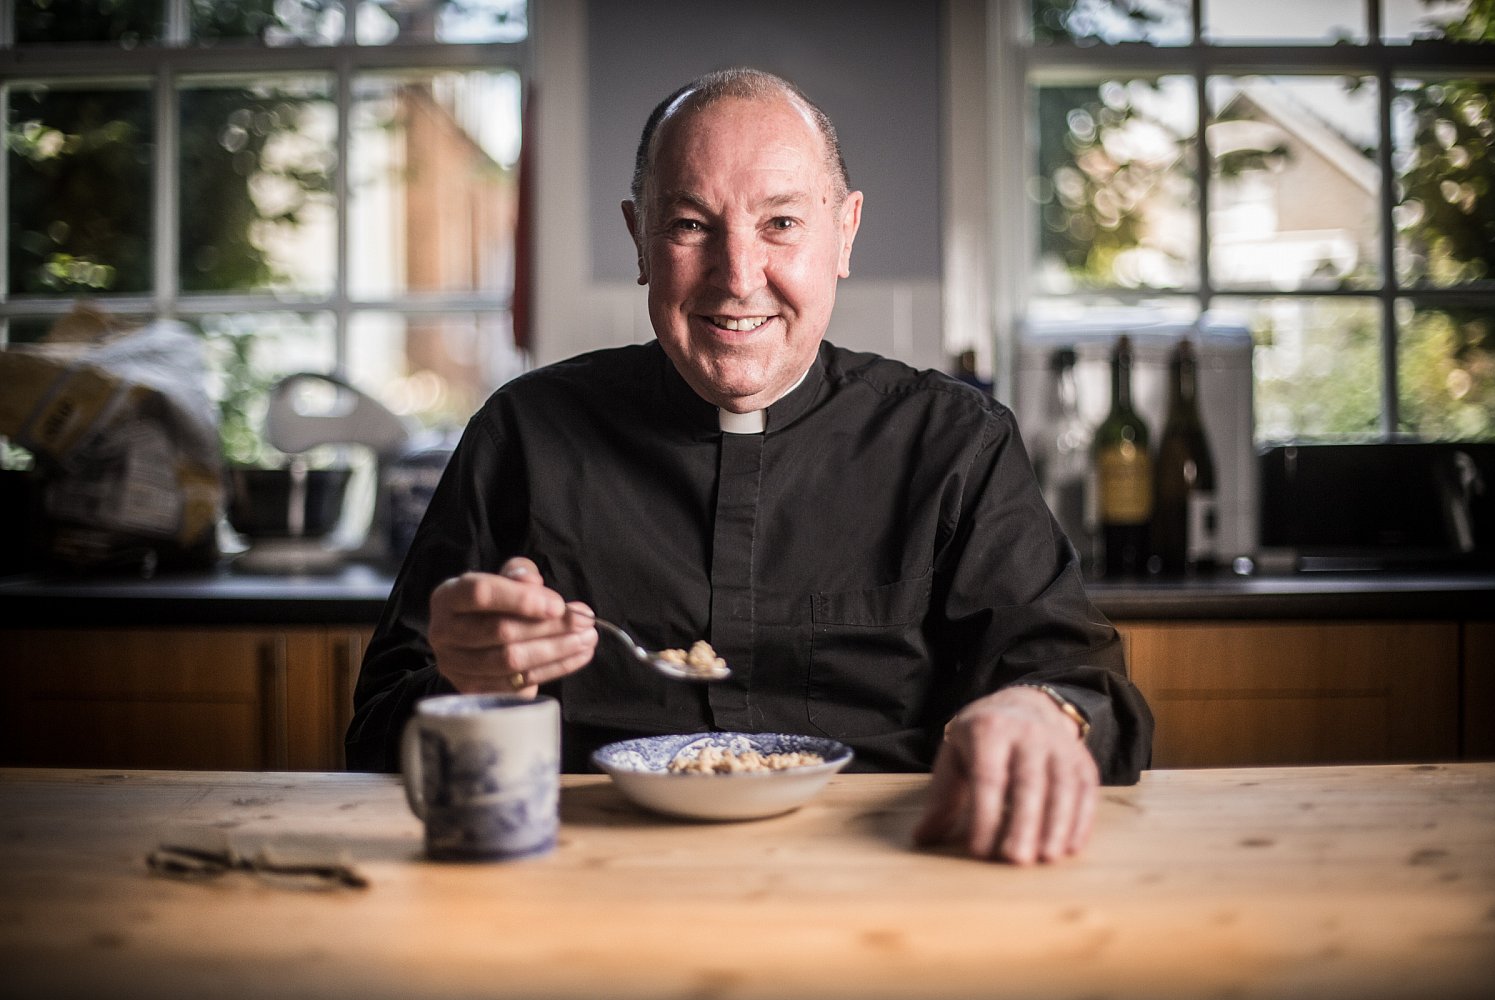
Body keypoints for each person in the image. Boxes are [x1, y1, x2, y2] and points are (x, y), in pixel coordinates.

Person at [347, 68, 1153, 865]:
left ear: (844, 232)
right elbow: (374, 741)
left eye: (781, 224)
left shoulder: (954, 442)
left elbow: (1095, 697)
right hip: (582, 883)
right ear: (639, 239)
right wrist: (470, 684)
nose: (737, 278)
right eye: (692, 225)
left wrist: (1044, 714)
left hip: (884, 879)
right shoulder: (522, 435)